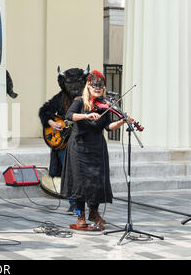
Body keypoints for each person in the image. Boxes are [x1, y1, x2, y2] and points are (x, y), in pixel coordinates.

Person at [60, 70, 131, 228]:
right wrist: (86, 116)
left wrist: (122, 121)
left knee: (97, 182)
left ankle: (94, 212)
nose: (97, 90)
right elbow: (69, 116)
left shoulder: (105, 104)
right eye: (94, 87)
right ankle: (80, 216)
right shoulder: (79, 102)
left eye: (100, 88)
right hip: (79, 146)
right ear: (88, 87)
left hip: (97, 147)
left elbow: (108, 127)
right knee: (79, 183)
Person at [38, 66, 89, 214]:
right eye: (69, 84)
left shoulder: (87, 99)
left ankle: (83, 205)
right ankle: (74, 203)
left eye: (77, 84)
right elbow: (44, 110)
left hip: (81, 140)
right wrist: (51, 122)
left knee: (80, 172)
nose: (73, 87)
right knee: (69, 172)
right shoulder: (60, 98)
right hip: (63, 143)